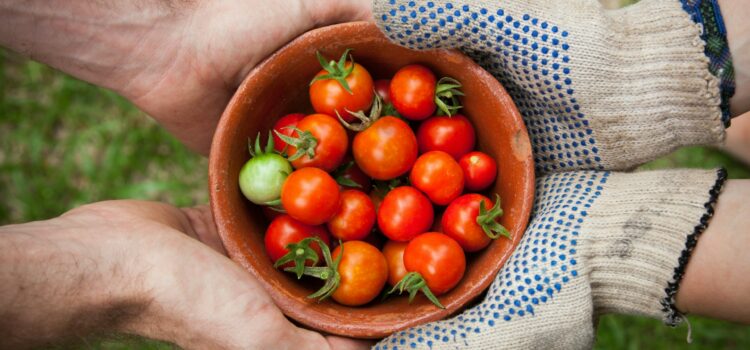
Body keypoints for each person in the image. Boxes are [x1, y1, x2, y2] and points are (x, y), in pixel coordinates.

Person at [0, 0, 747, 349]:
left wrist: (160, 39)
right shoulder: (343, 188)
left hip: (421, 204)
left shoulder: (345, 158)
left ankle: (711, 98)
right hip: (416, 216)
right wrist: (119, 274)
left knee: (664, 89)